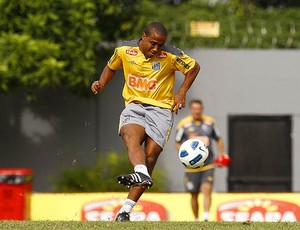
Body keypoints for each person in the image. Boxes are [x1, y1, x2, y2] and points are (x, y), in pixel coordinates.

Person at [91, 22, 200, 221]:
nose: (156, 48)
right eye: (153, 43)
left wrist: (181, 92)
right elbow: (111, 67)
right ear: (143, 36)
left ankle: (125, 210)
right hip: (135, 105)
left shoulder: (171, 55)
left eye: (161, 44)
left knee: (150, 156)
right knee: (130, 135)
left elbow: (194, 67)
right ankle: (139, 172)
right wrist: (101, 82)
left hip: (161, 110)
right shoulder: (125, 50)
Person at [175, 99, 228, 222]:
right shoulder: (184, 124)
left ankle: (206, 217)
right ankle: (197, 219)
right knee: (194, 194)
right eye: (194, 109)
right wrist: (185, 155)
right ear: (191, 110)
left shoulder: (210, 123)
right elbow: (177, 142)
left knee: (207, 189)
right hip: (191, 166)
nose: (197, 111)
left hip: (208, 163)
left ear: (202, 109)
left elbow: (218, 139)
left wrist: (222, 154)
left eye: (199, 109)